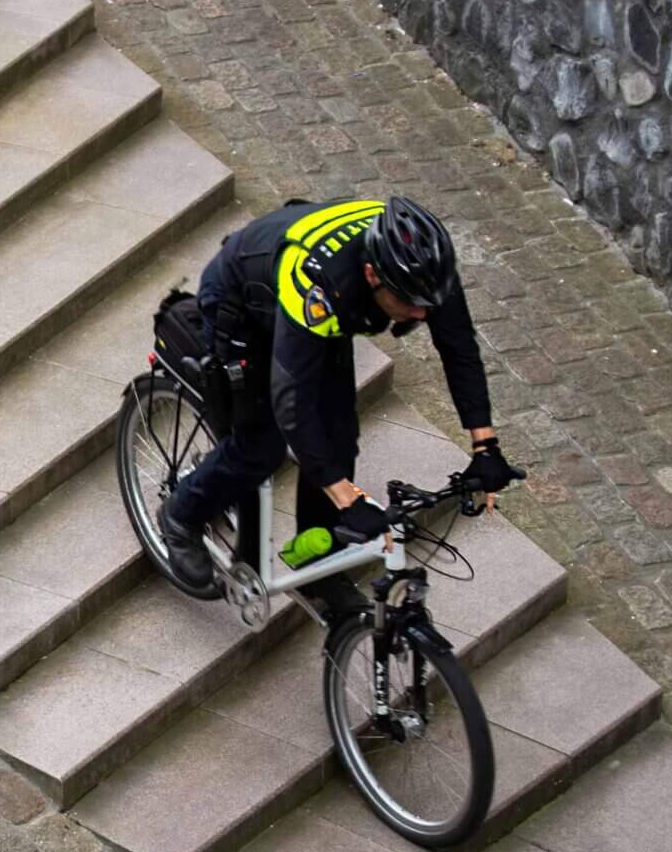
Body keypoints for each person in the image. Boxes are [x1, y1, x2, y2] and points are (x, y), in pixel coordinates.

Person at [157, 195, 520, 620]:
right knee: (261, 445)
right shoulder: (318, 285)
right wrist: (347, 498)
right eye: (409, 303)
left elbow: (459, 347)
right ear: (372, 274)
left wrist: (485, 444)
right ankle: (180, 514)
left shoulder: (424, 266)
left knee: (340, 436)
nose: (422, 313)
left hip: (325, 308)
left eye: (429, 302)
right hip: (243, 302)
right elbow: (291, 403)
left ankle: (315, 563)